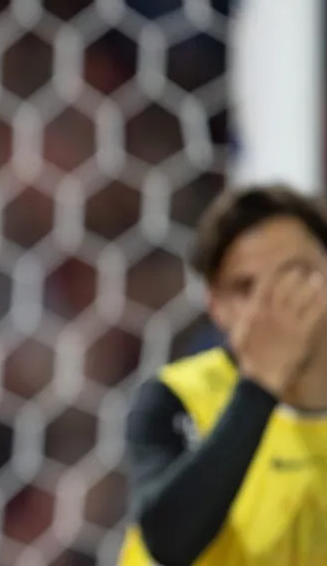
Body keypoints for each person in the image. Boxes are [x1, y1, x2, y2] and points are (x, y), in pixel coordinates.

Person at [118, 184, 327, 566]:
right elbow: (169, 541)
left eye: (295, 276)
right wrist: (261, 382)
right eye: (246, 288)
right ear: (216, 307)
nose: (271, 307)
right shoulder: (177, 396)